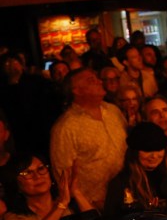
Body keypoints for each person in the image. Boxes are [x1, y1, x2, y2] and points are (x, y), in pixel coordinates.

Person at [49, 69, 128, 208]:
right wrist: (84, 202)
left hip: (125, 196)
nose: (100, 82)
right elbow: (63, 174)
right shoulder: (66, 127)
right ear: (77, 90)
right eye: (91, 80)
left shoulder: (113, 111)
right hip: (94, 205)